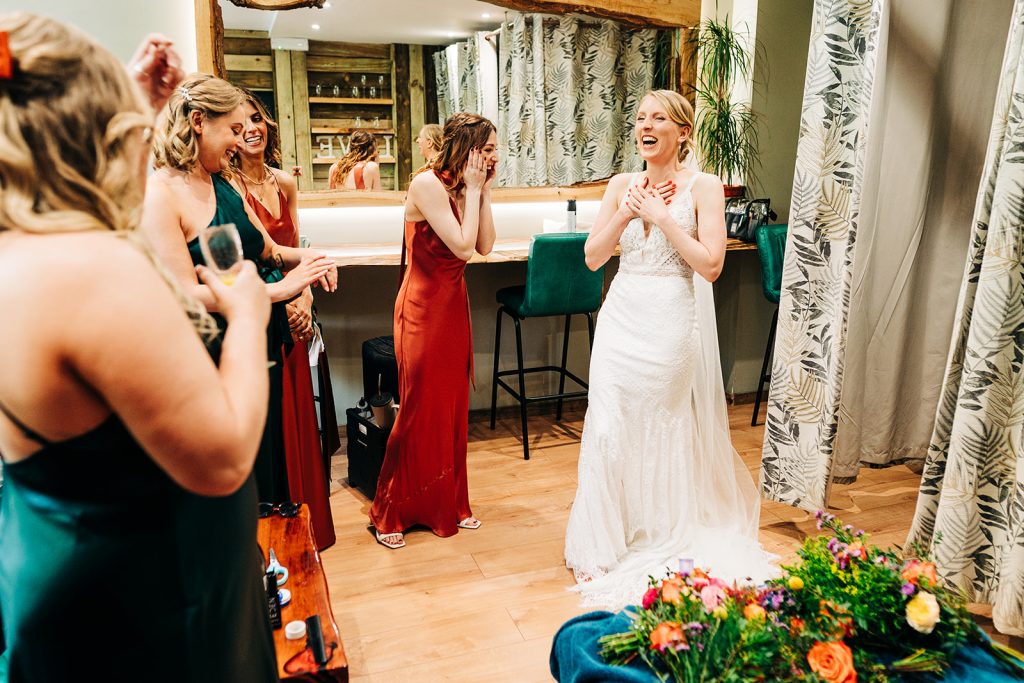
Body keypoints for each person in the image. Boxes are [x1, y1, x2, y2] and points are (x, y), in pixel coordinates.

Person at [0, 14, 277, 681]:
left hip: (68, 573)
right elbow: (223, 458)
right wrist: (247, 312)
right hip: (147, 608)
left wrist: (127, 102)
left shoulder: (22, 249)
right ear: (102, 131)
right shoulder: (90, 271)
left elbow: (109, 202)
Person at [563, 90, 776, 608]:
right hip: (621, 320)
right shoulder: (621, 184)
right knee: (607, 424)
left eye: (658, 118)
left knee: (659, 425)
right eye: (640, 118)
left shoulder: (705, 187)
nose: (645, 126)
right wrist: (625, 214)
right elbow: (593, 258)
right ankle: (601, 540)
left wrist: (662, 217)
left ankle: (658, 529)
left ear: (682, 132)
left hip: (669, 325)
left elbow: (711, 265)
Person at [142, 74, 337, 505]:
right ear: (198, 122)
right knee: (234, 477)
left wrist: (310, 258)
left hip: (257, 344)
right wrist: (279, 292)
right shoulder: (160, 195)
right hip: (210, 356)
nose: (239, 140)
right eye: (232, 129)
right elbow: (184, 294)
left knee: (267, 465)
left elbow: (268, 251)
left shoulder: (223, 183)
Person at [369, 113, 497, 549]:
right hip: (422, 309)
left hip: (453, 309)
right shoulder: (426, 184)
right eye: (489, 149)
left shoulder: (465, 188)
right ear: (468, 149)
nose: (495, 156)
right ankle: (389, 511)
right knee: (419, 408)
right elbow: (461, 246)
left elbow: (484, 245)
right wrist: (474, 191)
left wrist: (483, 191)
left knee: (452, 408)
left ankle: (451, 504)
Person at [230, 87, 336, 550]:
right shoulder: (228, 188)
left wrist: (305, 300)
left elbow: (295, 247)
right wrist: (285, 299)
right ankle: (279, 528)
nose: (251, 130)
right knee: (277, 421)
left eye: (256, 119)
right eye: (239, 125)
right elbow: (258, 257)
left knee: (299, 414)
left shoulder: (284, 183)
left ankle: (308, 526)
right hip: (263, 309)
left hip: (296, 301)